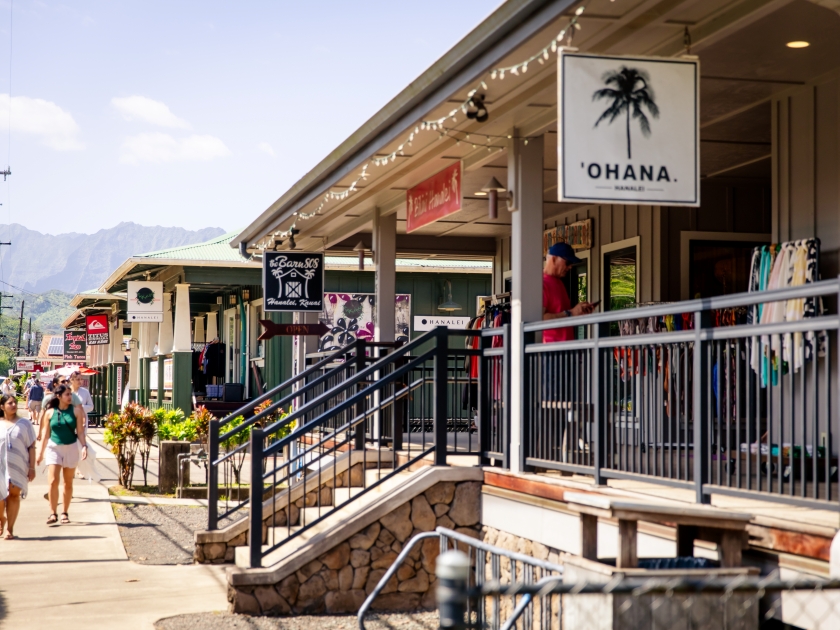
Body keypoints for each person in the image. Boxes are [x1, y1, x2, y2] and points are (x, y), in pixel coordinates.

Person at [36, 384, 86, 525]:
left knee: (68, 482)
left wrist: (84, 446)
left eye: (70, 394)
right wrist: (40, 453)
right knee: (52, 481)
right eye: (67, 394)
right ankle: (53, 513)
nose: (70, 397)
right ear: (58, 396)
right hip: (54, 448)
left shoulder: (76, 411)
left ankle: (64, 512)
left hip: (70, 448)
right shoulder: (49, 412)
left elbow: (80, 432)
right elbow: (46, 434)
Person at [542, 242, 596, 342]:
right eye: (568, 262)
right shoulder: (541, 284)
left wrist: (578, 313)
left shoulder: (559, 283)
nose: (570, 266)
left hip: (567, 349)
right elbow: (539, 319)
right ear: (553, 259)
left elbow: (563, 316)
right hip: (551, 350)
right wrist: (570, 313)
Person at [0, 394, 37, 539]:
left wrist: (32, 468)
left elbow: (31, 446)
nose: (14, 405)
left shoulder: (25, 424)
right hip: (0, 465)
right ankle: (2, 519)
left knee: (14, 496)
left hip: (18, 465)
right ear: (2, 407)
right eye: (10, 403)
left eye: (15, 402)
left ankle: (10, 528)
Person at [68, 371, 99, 481]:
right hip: (69, 423)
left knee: (81, 446)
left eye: (81, 379)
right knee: (72, 447)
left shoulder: (85, 392)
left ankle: (80, 470)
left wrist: (80, 408)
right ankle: (72, 468)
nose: (80, 381)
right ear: (72, 380)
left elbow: (91, 406)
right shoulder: (67, 392)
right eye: (78, 379)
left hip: (81, 422)